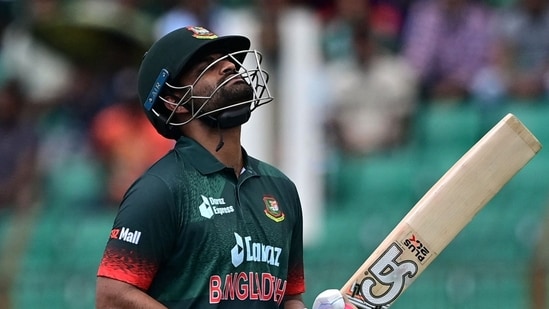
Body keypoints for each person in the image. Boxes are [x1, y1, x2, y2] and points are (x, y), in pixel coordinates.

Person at [95, 26, 354, 309]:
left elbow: (288, 299)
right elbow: (112, 298)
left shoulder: (281, 188)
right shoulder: (162, 188)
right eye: (208, 66)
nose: (231, 66)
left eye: (228, 60)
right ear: (173, 101)